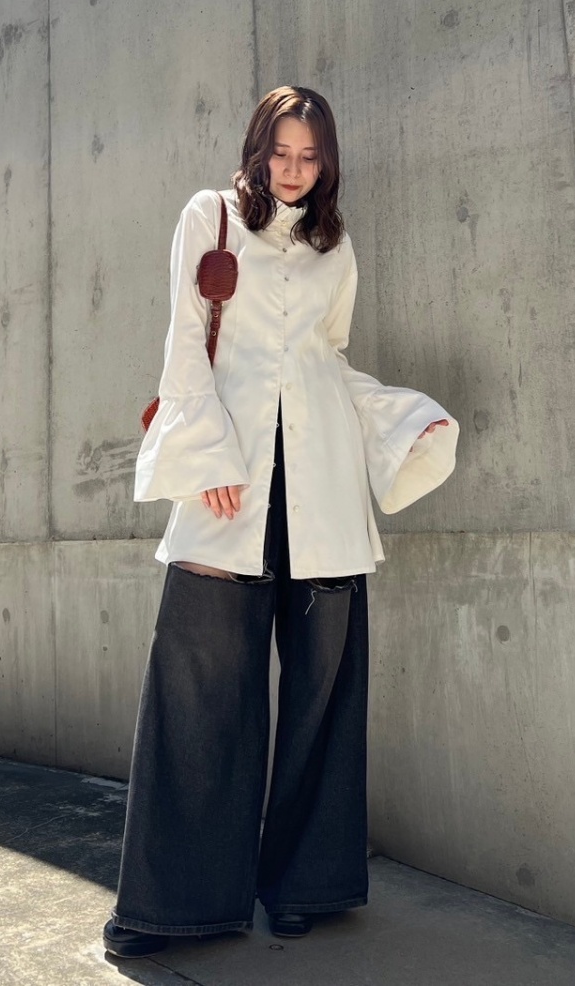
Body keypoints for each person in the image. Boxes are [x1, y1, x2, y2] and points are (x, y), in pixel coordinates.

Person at [103, 86, 459, 958]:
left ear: (326, 164)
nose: (294, 171)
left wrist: (404, 421)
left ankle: (305, 885)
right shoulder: (211, 217)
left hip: (323, 492)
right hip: (229, 491)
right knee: (200, 693)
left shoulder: (336, 247)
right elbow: (185, 344)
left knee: (321, 702)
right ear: (257, 148)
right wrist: (211, 458)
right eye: (282, 153)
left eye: (310, 158)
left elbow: (326, 362)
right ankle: (173, 905)